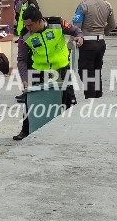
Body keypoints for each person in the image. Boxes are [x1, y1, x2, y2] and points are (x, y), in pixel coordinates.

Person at [14, 7, 83, 141]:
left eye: (30, 25)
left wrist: (79, 37)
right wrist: (24, 78)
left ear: (39, 21)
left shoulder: (57, 23)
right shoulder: (25, 35)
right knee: (32, 102)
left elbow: (75, 30)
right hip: (39, 71)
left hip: (61, 68)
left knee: (69, 99)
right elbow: (21, 59)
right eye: (26, 25)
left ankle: (73, 129)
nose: (28, 28)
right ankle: (26, 130)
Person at [72, 0, 115, 98]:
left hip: (87, 44)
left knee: (85, 72)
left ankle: (90, 98)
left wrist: (71, 43)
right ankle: (97, 96)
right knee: (96, 71)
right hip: (100, 43)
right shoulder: (107, 5)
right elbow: (112, 25)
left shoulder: (83, 6)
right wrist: (102, 33)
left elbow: (76, 27)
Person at [14, 0, 39, 102]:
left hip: (28, 38)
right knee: (24, 65)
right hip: (23, 36)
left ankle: (29, 92)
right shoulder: (25, 3)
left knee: (28, 65)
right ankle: (26, 91)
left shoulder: (32, 4)